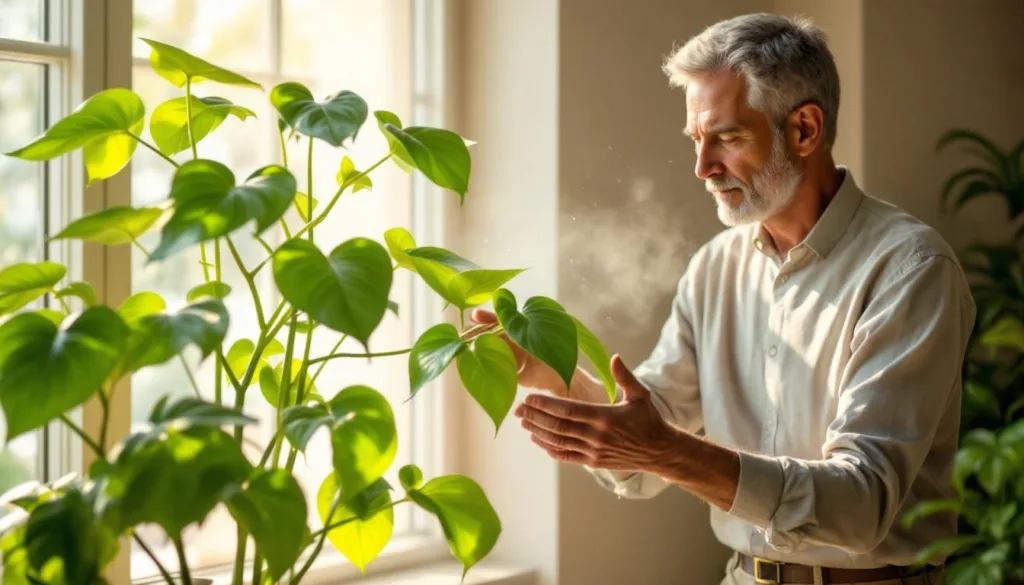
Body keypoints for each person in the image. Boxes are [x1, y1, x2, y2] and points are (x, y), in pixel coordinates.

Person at [470, 12, 975, 585]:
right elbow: (646, 444)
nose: (702, 167)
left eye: (728, 138)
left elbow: (860, 505)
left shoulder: (909, 270)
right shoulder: (714, 268)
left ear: (805, 130)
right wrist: (554, 375)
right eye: (696, 140)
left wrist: (666, 452)